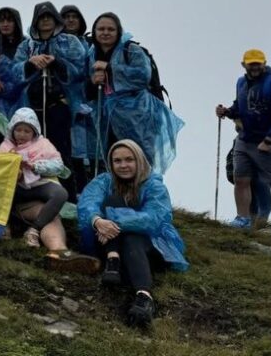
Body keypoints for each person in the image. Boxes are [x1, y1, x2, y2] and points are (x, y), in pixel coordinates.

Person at [78, 140, 189, 327]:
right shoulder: (104, 181)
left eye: (129, 160)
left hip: (150, 245)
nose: (123, 165)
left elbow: (155, 217)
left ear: (139, 160)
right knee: (110, 201)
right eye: (117, 161)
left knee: (132, 236)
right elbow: (87, 202)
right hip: (104, 241)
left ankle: (144, 296)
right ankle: (113, 259)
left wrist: (115, 224)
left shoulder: (154, 186)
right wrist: (97, 221)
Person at [88, 13, 184, 177]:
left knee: (139, 155)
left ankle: (146, 194)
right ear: (94, 31)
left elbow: (142, 75)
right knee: (113, 156)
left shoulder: (131, 50)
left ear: (118, 31)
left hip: (136, 115)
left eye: (110, 29)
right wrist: (93, 80)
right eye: (101, 29)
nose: (105, 32)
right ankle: (118, 196)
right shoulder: (92, 53)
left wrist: (110, 69)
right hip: (106, 116)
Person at [7, 2, 87, 200]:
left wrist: (56, 62)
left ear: (55, 20)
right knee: (32, 151)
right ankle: (37, 194)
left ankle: (68, 198)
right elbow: (13, 74)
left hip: (59, 106)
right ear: (35, 21)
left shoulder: (70, 42)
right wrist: (30, 63)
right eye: (41, 18)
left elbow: (80, 69)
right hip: (32, 110)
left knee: (61, 151)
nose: (45, 21)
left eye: (49, 17)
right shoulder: (27, 45)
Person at [216, 49, 271, 240]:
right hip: (244, 139)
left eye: (258, 63)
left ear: (264, 63)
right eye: (251, 63)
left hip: (268, 142)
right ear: (244, 65)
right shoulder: (241, 83)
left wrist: (269, 140)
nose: (255, 66)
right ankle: (243, 219)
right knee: (241, 179)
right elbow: (241, 106)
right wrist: (228, 112)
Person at [0, 108, 71, 248]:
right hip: (14, 189)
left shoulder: (43, 144)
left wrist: (34, 166)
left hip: (37, 185)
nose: (22, 134)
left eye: (27, 131)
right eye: (18, 130)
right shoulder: (5, 146)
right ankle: (3, 225)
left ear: (34, 132)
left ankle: (34, 230)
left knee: (61, 193)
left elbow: (58, 166)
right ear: (12, 129)